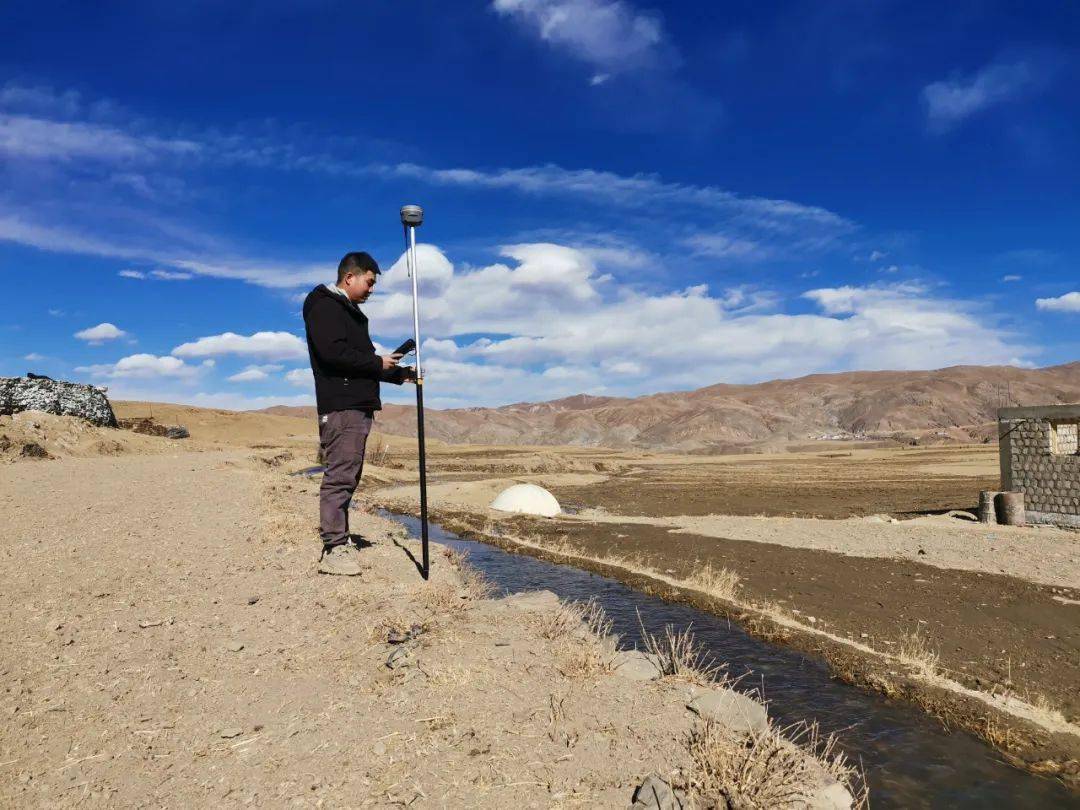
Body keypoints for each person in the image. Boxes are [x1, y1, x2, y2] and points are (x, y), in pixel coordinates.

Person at [302, 251, 415, 575]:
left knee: (348, 476)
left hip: (355, 406)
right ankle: (334, 548)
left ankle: (340, 539)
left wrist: (402, 373)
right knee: (340, 477)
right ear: (349, 277)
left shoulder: (347, 313)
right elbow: (333, 354)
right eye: (369, 282)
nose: (371, 290)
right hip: (343, 407)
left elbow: (362, 363)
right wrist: (376, 362)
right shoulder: (324, 305)